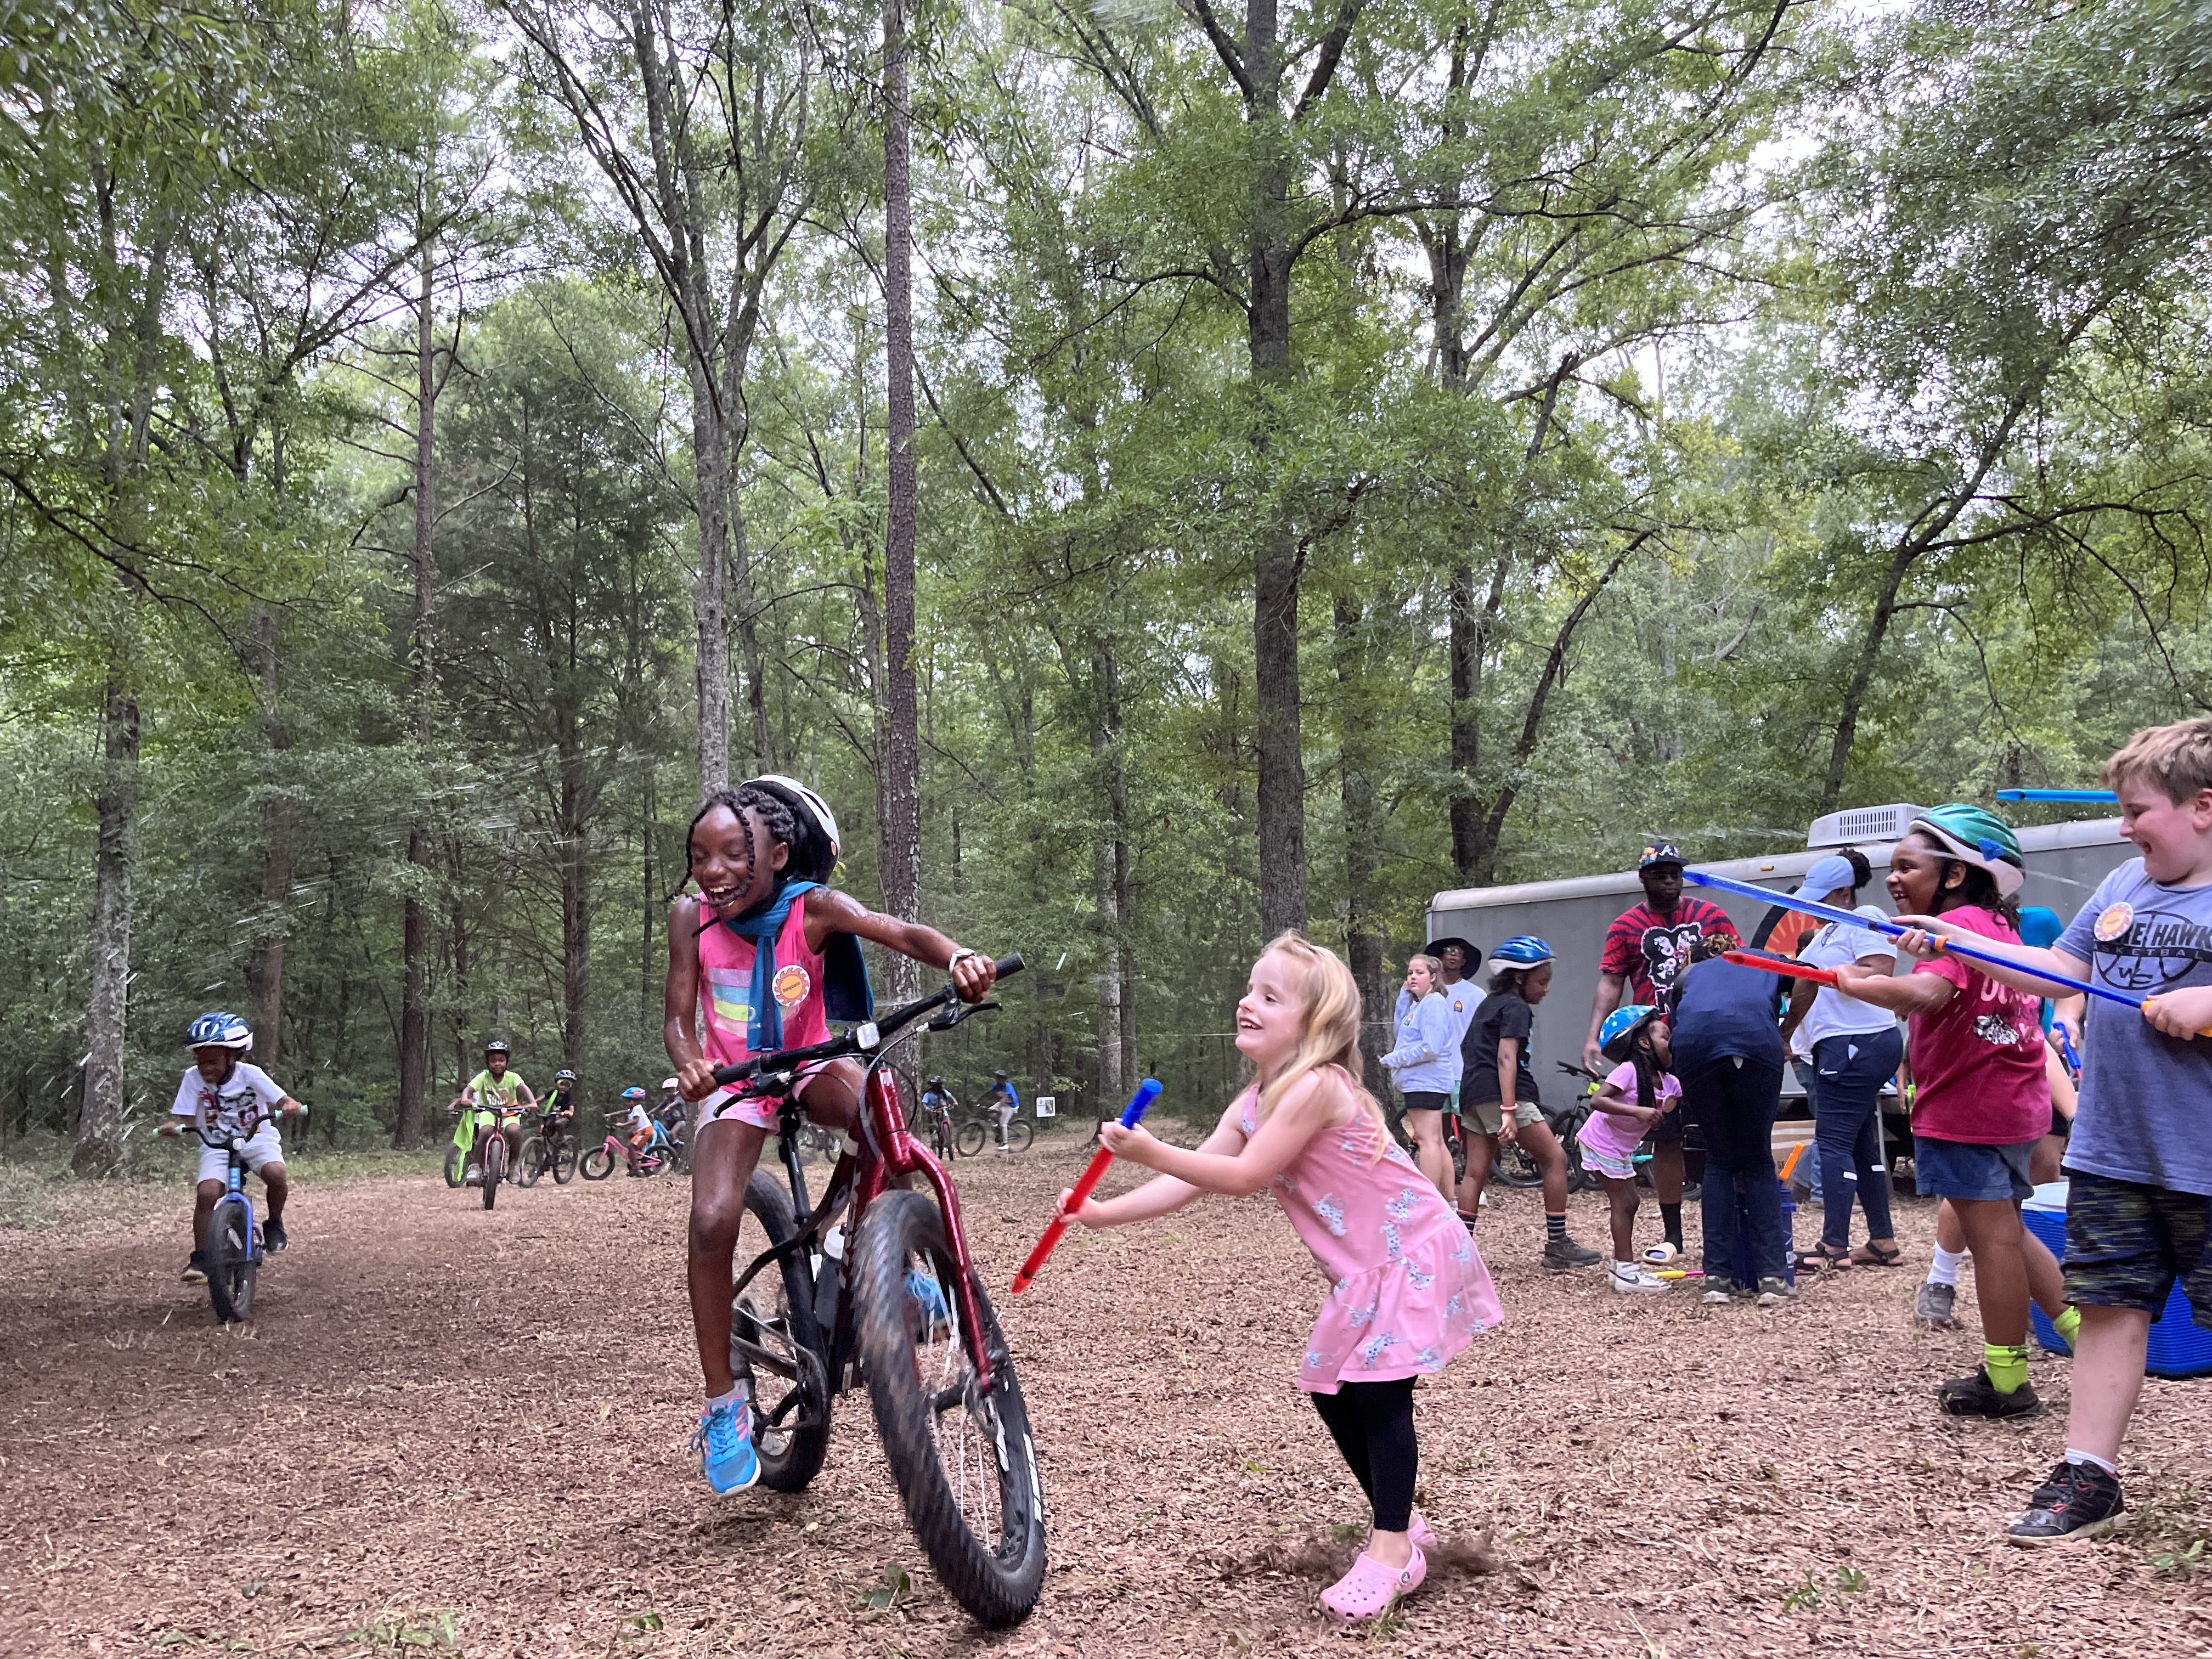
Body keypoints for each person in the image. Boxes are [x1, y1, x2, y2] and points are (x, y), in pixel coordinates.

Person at [1056, 932, 1502, 1621]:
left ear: (1315, 1024)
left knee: (1379, 1396)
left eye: (1271, 996)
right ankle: (1402, 1525)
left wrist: (1150, 1147)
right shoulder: (1254, 1100)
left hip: (1410, 1253)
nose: (1248, 1003)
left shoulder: (1318, 1087)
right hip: (1364, 1274)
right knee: (1334, 1393)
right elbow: (1190, 1185)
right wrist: (1101, 1212)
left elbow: (1244, 1177)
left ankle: (1392, 1549)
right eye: (1250, 990)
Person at [1887, 724, 2212, 1543]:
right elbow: (2059, 974)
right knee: (2108, 1305)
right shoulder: (2119, 888)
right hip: (2114, 1150)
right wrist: (1958, 940)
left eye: (2137, 810)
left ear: (2203, 808)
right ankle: (2090, 1475)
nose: (2123, 826)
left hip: (2204, 1159)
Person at [668, 774, 996, 1494]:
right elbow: (677, 1018)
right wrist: (691, 1062)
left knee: (881, 1108)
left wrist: (957, 958)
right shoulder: (689, 917)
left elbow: (898, 930)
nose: (712, 871)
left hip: (810, 1060)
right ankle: (724, 1405)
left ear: (778, 856)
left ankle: (886, 1263)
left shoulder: (811, 910)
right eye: (700, 854)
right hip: (735, 1081)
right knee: (714, 1217)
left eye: (730, 854)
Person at [1830, 806, 2073, 1421]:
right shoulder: (1997, 926)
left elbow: (1924, 995)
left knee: (1991, 1240)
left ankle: (2008, 1380)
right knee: (2008, 1230)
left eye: (1909, 866)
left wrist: (1848, 982)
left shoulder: (1957, 926)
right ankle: (2083, 1334)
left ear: (1958, 874)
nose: (1894, 878)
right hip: (2014, 1104)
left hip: (1970, 1108)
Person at [1584, 842, 1733, 1259]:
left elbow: (1741, 964)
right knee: (1666, 1138)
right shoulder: (1626, 926)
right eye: (1660, 872)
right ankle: (1673, 1236)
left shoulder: (1711, 917)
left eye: (1675, 872)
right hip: (1656, 1044)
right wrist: (1594, 1034)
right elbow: (1612, 980)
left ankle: (1731, 1227)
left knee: (1722, 1130)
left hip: (1709, 1034)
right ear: (1644, 877)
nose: (1669, 879)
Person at [1776, 852, 1905, 1271]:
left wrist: (1843, 976)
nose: (1811, 905)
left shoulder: (1863, 915)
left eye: (1822, 896)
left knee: (1831, 1144)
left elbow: (1880, 969)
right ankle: (1883, 1242)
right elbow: (1803, 985)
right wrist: (1786, 1031)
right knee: (1859, 1142)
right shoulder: (1825, 934)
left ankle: (1833, 1245)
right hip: (1841, 1045)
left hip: (1858, 1041)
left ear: (1845, 893)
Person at [1460, 936, 1600, 1268]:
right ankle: (1558, 1245)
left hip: (1473, 1095)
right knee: (1556, 1158)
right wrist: (1509, 1110)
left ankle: (1459, 1252)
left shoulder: (1488, 1005)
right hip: (1506, 1095)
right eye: (1542, 981)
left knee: (1474, 1174)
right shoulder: (1516, 1007)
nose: (1546, 989)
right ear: (1520, 978)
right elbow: (1506, 1056)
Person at [1669, 932, 1792, 1306]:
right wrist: (1787, 1030)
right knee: (1756, 1159)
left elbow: (1680, 1018)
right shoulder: (1765, 959)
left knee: (1720, 1158)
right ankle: (1772, 1276)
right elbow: (1809, 976)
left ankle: (1716, 1278)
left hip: (1695, 1048)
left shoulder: (1687, 976)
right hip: (1756, 1043)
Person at [155, 1013, 306, 1281]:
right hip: (215, 1142)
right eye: (201, 1062)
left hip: (256, 1137)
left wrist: (289, 1106)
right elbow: (186, 1117)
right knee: (207, 1193)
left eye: (213, 1062)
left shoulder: (251, 1075)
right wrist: (175, 1128)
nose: (206, 1069)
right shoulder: (192, 1079)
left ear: (233, 1056)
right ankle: (200, 1258)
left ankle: (274, 1223)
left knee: (276, 1174)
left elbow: (283, 1100)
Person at [1584, 1005, 1679, 1293]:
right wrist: (1638, 1113)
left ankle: (1621, 1269)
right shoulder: (1627, 1072)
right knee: (1625, 1202)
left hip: (1618, 1148)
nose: (1671, 1041)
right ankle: (1626, 1271)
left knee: (1630, 1202)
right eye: (1665, 1036)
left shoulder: (1669, 1083)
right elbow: (1598, 1101)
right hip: (1601, 1142)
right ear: (1644, 1043)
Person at [1381, 955, 1458, 1197]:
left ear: (1434, 977)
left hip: (1426, 1081)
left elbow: (1431, 1047)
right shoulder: (1419, 1005)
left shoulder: (1434, 1003)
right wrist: (1405, 996)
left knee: (1427, 1141)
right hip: (1421, 1082)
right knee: (1436, 1141)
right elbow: (1400, 1030)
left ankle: (1429, 1200)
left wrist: (1396, 1059)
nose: (1412, 977)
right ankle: (1448, 1201)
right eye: (1409, 973)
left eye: (1419, 973)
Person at [1428, 936, 1486, 1221]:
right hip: (1435, 1071)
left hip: (1465, 1070)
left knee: (1467, 1127)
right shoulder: (1429, 994)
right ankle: (1439, 1185)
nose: (1453, 956)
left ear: (1464, 961)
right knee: (1436, 1130)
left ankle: (1470, 1180)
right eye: (1448, 951)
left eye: (1459, 953)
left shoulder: (1474, 994)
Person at [460, 1040, 535, 1180]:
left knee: (514, 1131)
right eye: (493, 1061)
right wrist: (466, 1098)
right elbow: (469, 1089)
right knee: (485, 1131)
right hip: (488, 1111)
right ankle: (475, 1166)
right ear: (488, 1063)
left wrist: (532, 1103)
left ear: (507, 1062)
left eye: (501, 1060)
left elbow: (524, 1088)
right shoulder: (483, 1077)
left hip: (510, 1112)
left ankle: (513, 1165)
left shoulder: (513, 1077)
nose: (497, 1064)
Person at [986, 1069, 1023, 1151]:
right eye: (997, 1078)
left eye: (999, 1078)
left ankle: (1005, 1144)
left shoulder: (1008, 1086)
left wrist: (999, 1108)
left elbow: (1006, 1098)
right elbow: (989, 1094)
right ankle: (998, 1126)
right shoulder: (997, 1086)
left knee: (1003, 1124)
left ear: (1003, 1079)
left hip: (1011, 1106)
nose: (997, 1079)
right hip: (1003, 1104)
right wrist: (979, 1101)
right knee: (989, 1110)